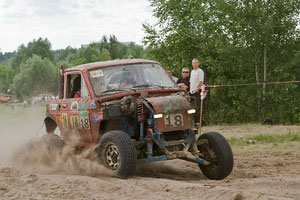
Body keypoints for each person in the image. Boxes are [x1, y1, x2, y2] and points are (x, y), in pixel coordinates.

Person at [189, 58, 204, 124]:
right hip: (191, 92)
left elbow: (201, 82)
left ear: (198, 63)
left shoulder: (200, 71)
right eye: (193, 63)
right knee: (192, 107)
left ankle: (198, 122)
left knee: (197, 107)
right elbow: (191, 82)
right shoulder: (192, 71)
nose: (195, 64)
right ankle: (193, 122)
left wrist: (197, 89)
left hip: (197, 92)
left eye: (196, 63)